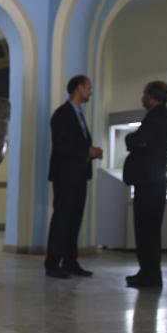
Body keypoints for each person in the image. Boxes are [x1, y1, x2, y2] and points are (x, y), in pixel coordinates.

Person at [45, 75, 103, 278]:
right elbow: (61, 146)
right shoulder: (62, 114)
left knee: (75, 219)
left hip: (78, 175)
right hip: (65, 176)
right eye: (88, 87)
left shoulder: (78, 114)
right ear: (79, 88)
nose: (90, 92)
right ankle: (52, 263)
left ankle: (70, 261)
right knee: (62, 218)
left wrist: (91, 152)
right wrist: (87, 151)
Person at [123, 81, 167, 289]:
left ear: (152, 97)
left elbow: (138, 140)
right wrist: (135, 140)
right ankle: (146, 272)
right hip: (151, 180)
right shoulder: (160, 116)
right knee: (145, 230)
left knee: (148, 230)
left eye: (145, 94)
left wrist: (132, 138)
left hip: (150, 182)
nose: (142, 97)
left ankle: (151, 275)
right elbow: (138, 141)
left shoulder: (158, 117)